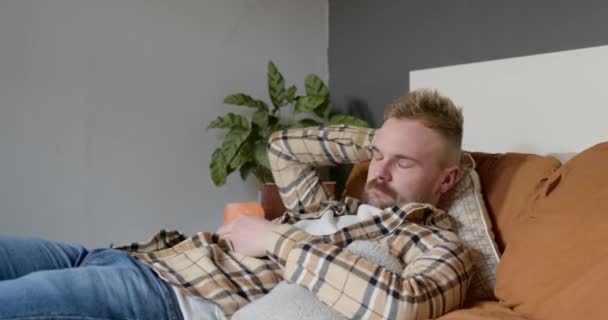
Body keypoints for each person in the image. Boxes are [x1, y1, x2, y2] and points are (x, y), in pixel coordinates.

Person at [0, 89, 472, 320]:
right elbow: (285, 147)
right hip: (129, 255)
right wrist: (385, 139)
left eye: (403, 163)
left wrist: (275, 237)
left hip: (169, 296)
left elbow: (401, 305)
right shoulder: (335, 207)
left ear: (447, 178)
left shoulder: (431, 242)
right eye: (376, 156)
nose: (380, 172)